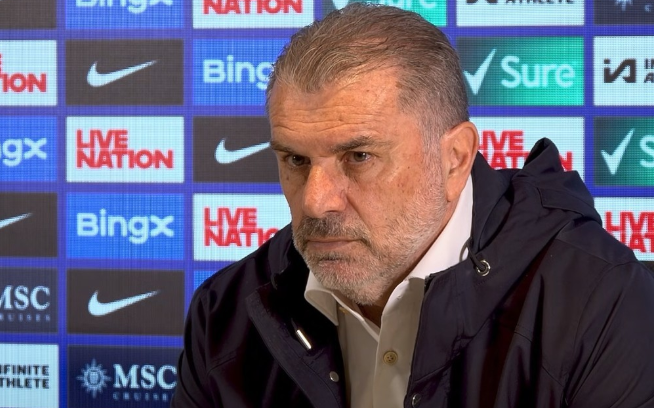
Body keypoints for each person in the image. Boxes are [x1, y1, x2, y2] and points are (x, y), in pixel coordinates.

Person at [171, 4, 654, 407]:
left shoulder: (601, 304)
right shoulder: (225, 312)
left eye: (359, 157)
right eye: (296, 160)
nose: (315, 202)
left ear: (455, 159)